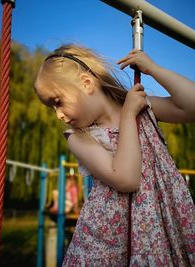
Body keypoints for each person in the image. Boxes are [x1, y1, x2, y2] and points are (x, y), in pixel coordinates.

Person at [34, 44, 195, 266]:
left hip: (159, 222)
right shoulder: (79, 138)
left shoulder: (143, 109)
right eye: (52, 108)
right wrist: (128, 115)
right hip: (109, 243)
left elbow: (192, 106)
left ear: (86, 83)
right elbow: (126, 179)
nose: (58, 114)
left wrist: (154, 70)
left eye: (58, 102)